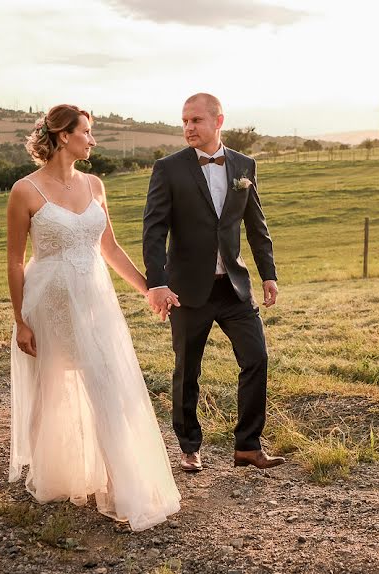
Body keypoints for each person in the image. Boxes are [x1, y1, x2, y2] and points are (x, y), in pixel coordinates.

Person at [7, 104, 180, 531]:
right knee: (51, 389)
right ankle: (51, 473)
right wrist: (20, 321)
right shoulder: (25, 191)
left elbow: (110, 249)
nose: (92, 139)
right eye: (86, 132)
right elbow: (14, 261)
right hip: (47, 303)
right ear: (63, 136)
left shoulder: (95, 184)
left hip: (94, 301)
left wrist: (149, 289)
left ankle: (125, 489)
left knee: (107, 385)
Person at [142, 93, 285, 472]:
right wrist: (156, 283)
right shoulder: (168, 169)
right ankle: (189, 447)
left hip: (234, 287)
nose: (188, 127)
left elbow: (257, 225)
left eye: (196, 120)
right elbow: (154, 231)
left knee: (256, 358)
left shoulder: (244, 165)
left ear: (218, 121)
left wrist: (268, 274)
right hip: (186, 289)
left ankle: (248, 446)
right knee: (187, 369)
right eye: (184, 121)